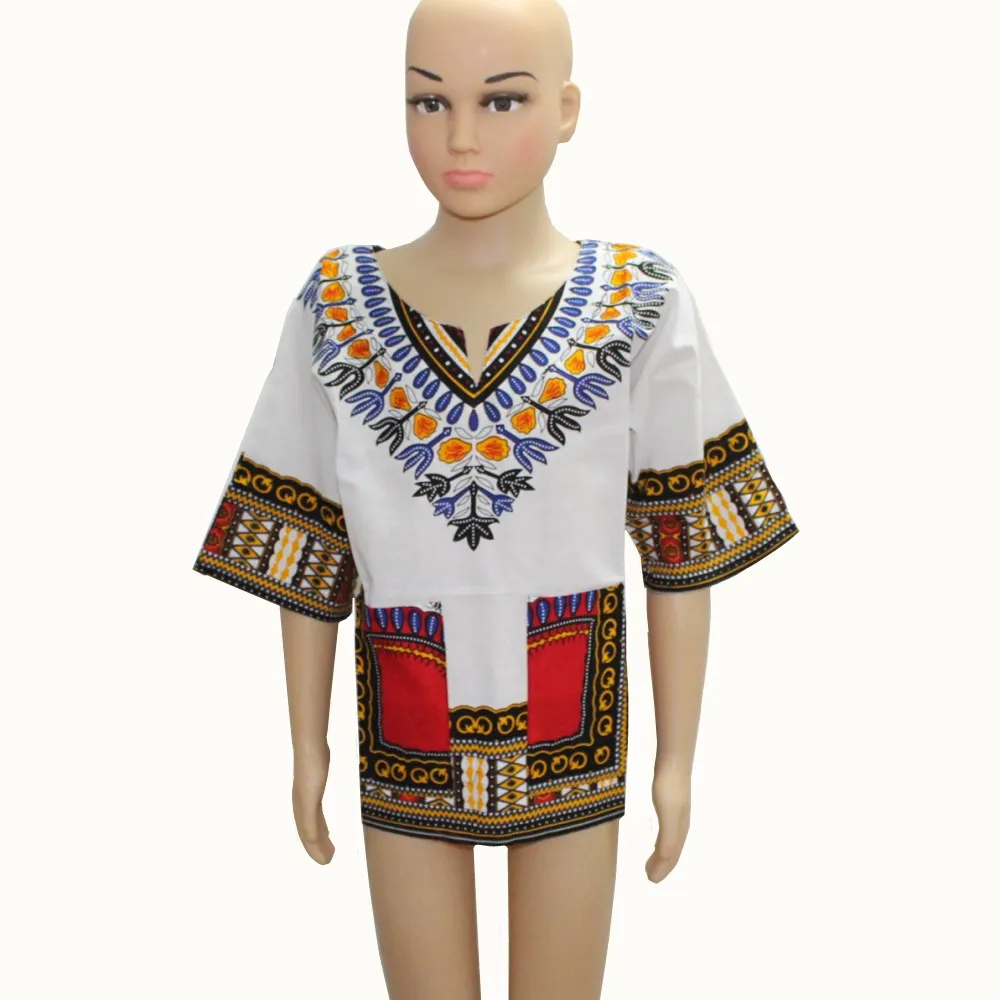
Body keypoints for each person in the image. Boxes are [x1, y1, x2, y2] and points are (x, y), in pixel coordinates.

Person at [191, 1, 799, 997]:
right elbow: (307, 547)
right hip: (404, 713)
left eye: (501, 100)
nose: (460, 136)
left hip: (573, 718)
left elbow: (681, 548)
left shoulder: (643, 300)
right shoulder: (336, 303)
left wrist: (677, 759)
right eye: (428, 102)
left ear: (567, 109)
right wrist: (307, 746)